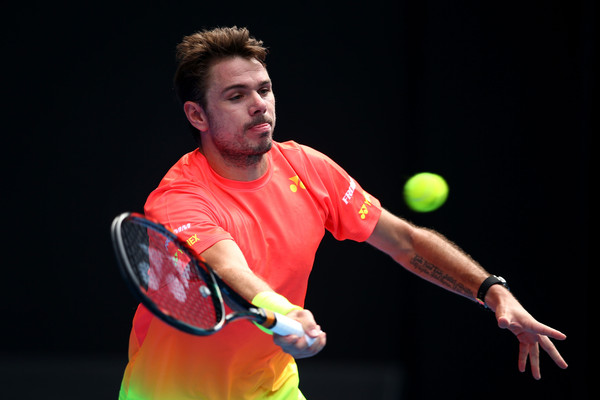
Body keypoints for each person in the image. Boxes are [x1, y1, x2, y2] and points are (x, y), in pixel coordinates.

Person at [118, 26, 568, 400]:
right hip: (168, 391)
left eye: (265, 89)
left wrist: (491, 291)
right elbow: (225, 264)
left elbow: (406, 242)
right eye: (236, 96)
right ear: (197, 115)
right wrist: (283, 312)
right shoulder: (179, 195)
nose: (260, 104)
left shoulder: (307, 168)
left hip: (269, 385)